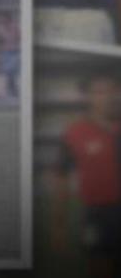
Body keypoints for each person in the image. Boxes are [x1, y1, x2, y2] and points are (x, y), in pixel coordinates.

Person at [52, 74, 121, 278]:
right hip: (98, 214)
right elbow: (61, 178)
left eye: (112, 90)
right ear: (88, 97)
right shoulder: (75, 133)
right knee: (100, 267)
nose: (107, 97)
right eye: (99, 92)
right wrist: (58, 225)